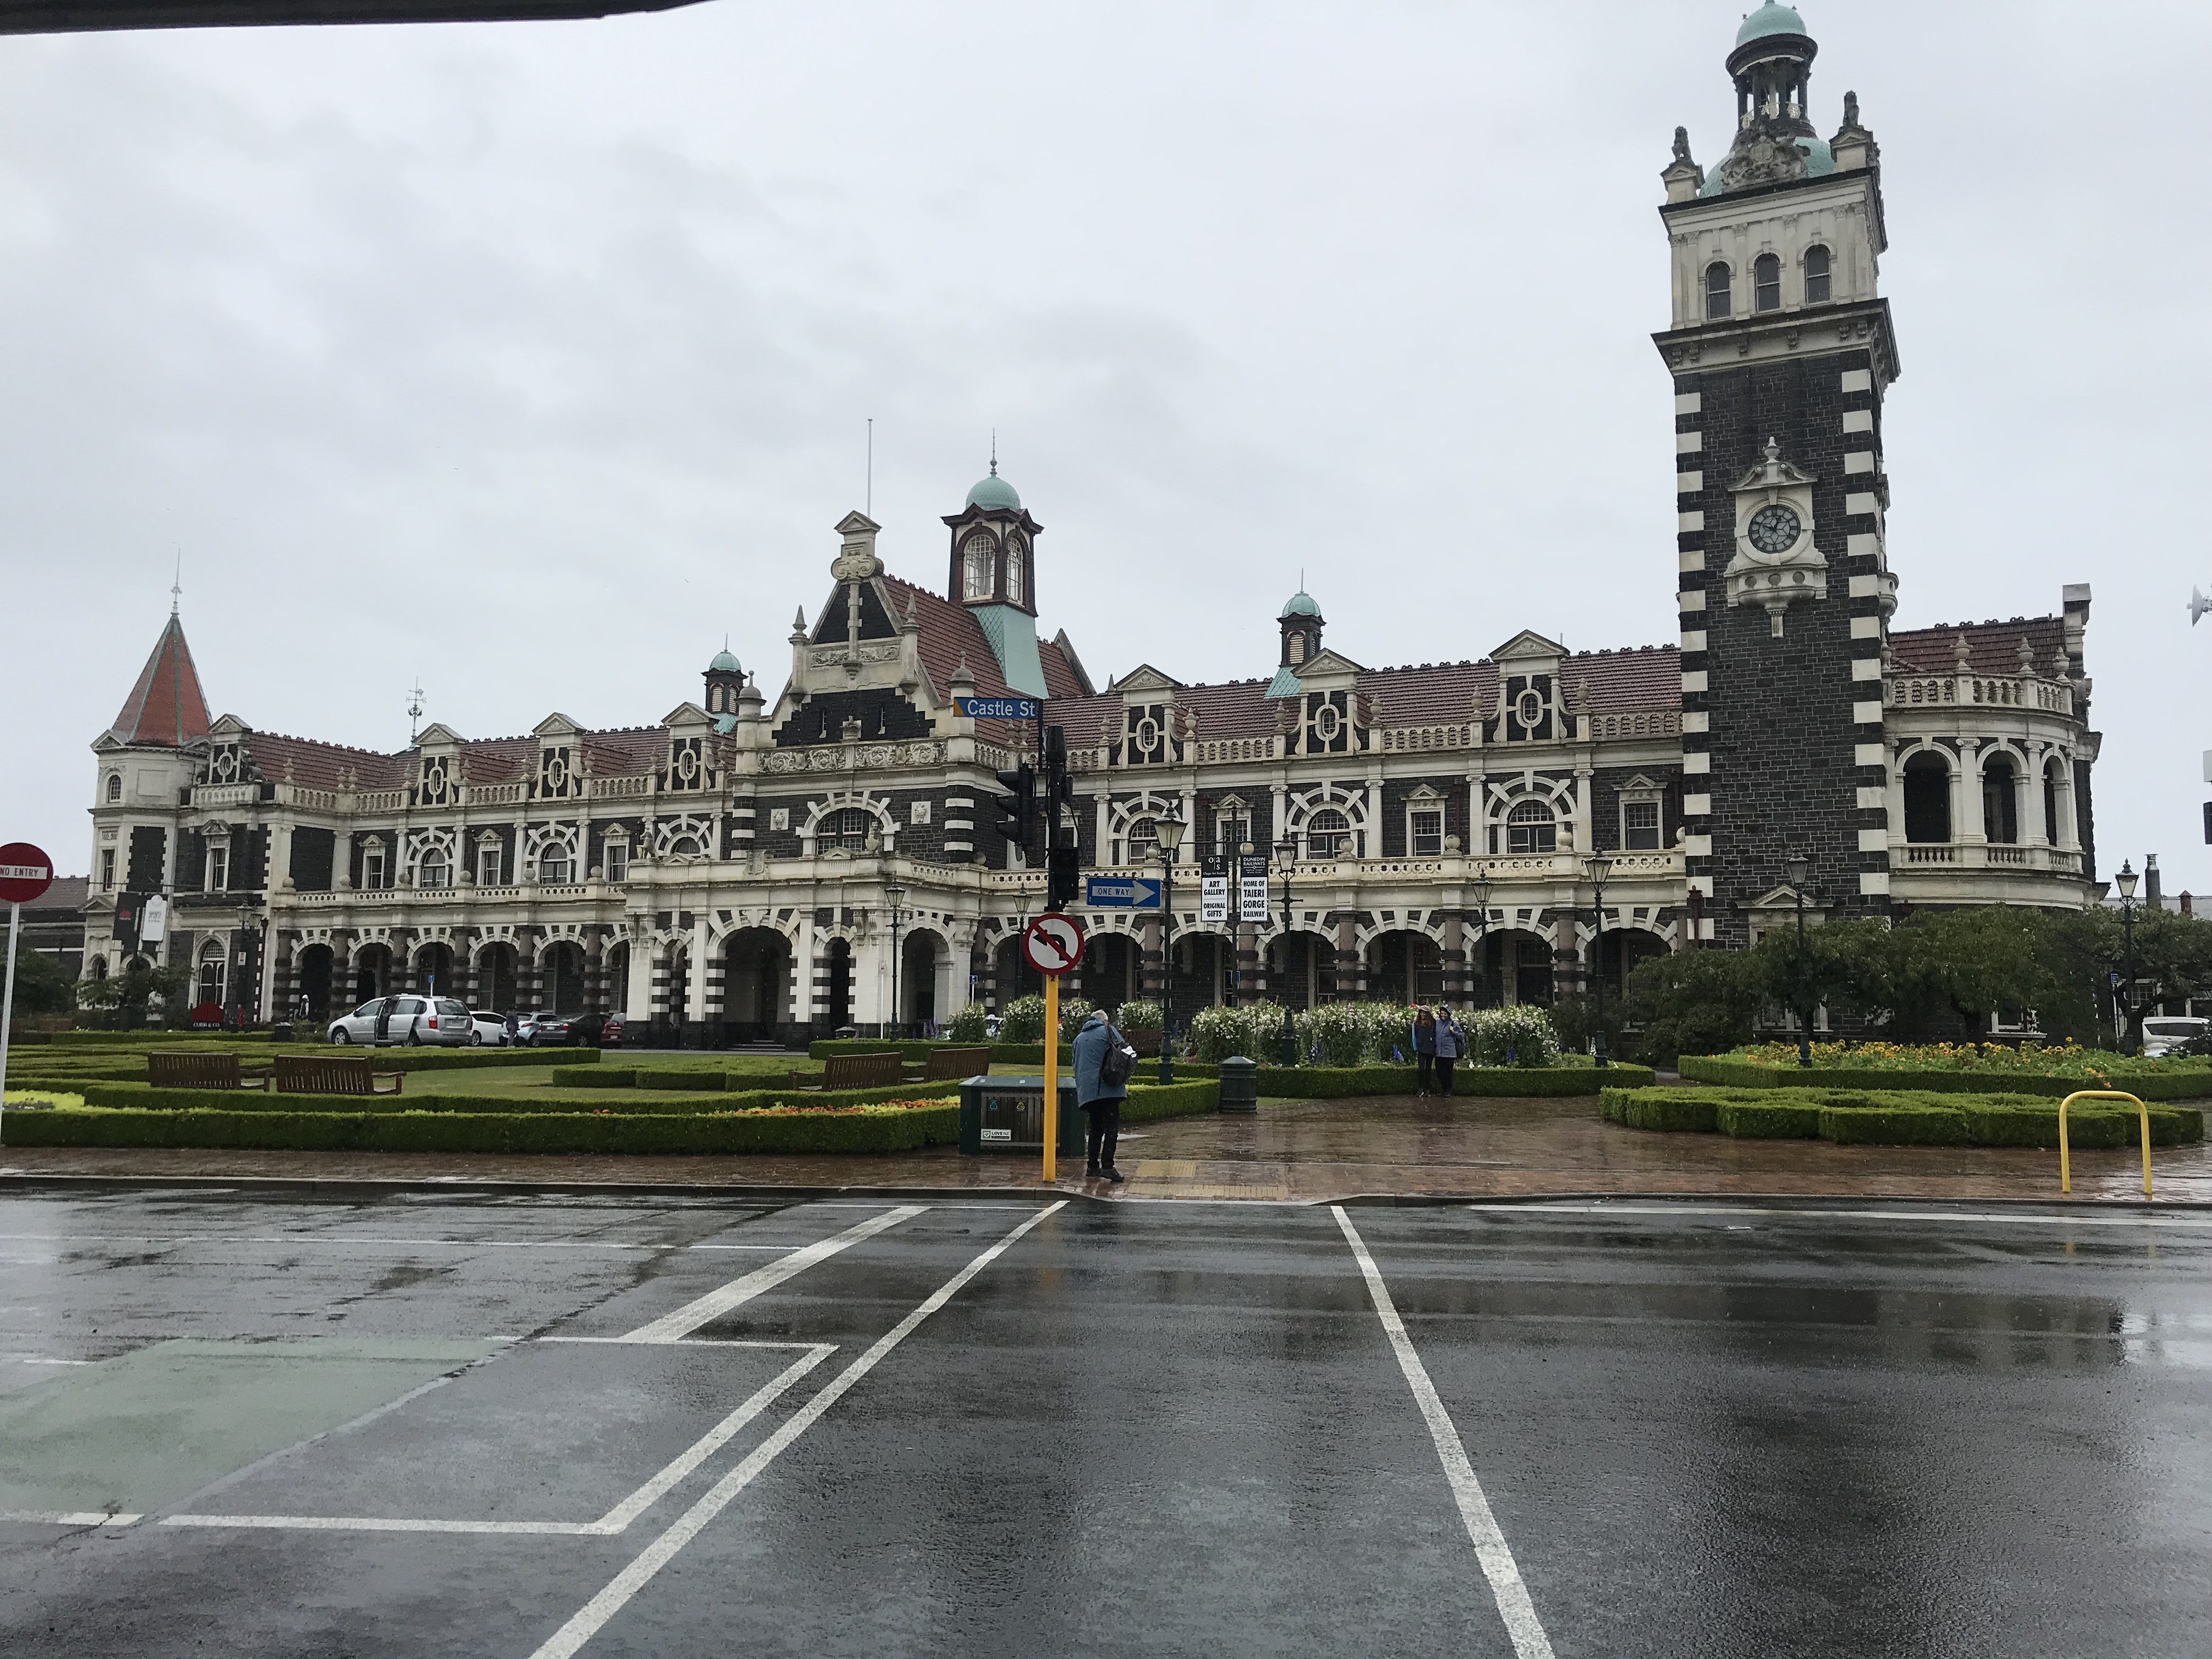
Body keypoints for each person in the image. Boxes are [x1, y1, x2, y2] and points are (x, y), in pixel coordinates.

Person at [1071, 1007, 1131, 1183]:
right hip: (1108, 1088)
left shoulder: (1078, 1039)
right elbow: (1124, 1053)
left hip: (1088, 1092)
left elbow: (1075, 1064)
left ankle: (1092, 1166)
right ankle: (1108, 1167)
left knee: (1096, 1128)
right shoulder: (1108, 1031)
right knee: (1111, 1128)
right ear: (1104, 1021)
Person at [1434, 1008, 1465, 1097]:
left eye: (1445, 1014)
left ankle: (1448, 1091)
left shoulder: (1453, 1023)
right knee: (1440, 1072)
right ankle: (1443, 1089)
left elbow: (1462, 1036)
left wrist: (1454, 1032)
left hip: (1449, 1053)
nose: (1443, 1015)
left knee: (1448, 1073)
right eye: (1442, 1013)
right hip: (1439, 1052)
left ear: (1448, 1015)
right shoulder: (1437, 1023)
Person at [1410, 1008, 1437, 1095]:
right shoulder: (1416, 1023)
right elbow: (1414, 1036)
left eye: (1424, 1013)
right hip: (1421, 1048)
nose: (1423, 1015)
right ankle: (1421, 1088)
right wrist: (1416, 1047)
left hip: (1430, 1048)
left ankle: (1427, 1089)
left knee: (1428, 1069)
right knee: (1421, 1069)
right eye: (1421, 1013)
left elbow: (1435, 1034)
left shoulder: (1433, 1023)